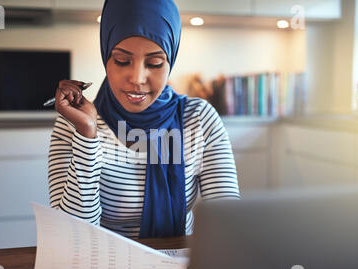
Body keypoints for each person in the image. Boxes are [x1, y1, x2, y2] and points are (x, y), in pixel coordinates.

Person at [48, 0, 240, 239]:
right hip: (107, 266)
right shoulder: (74, 124)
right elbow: (73, 235)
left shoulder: (199, 119)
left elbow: (227, 222)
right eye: (121, 61)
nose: (137, 78)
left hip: (180, 266)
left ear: (170, 61)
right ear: (105, 55)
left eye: (154, 63)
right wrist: (87, 136)